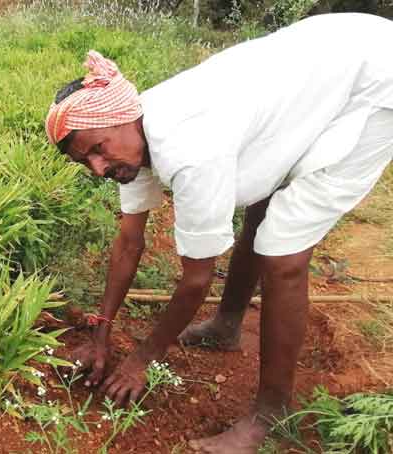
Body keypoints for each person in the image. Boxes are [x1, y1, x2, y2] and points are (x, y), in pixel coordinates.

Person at [45, 13, 393, 454]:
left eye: (98, 149)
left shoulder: (188, 151)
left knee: (282, 251)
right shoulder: (129, 139)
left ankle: (270, 416)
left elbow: (195, 279)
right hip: (323, 65)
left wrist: (141, 360)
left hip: (374, 76)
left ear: (123, 118)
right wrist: (101, 333)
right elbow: (129, 241)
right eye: (85, 162)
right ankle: (228, 325)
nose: (98, 168)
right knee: (262, 201)